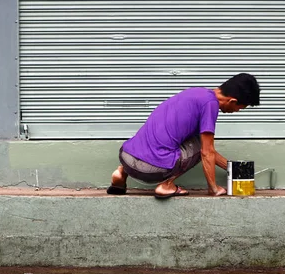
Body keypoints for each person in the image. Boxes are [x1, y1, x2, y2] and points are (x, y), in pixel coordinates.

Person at [107, 73, 260, 199]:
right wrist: (214, 188)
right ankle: (166, 186)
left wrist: (233, 168)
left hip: (127, 157)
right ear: (233, 101)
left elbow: (207, 151)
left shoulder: (196, 94)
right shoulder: (210, 105)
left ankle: (121, 173)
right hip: (151, 169)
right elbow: (206, 152)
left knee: (170, 139)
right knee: (201, 146)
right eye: (240, 108)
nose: (238, 111)